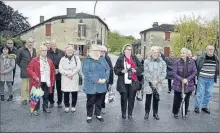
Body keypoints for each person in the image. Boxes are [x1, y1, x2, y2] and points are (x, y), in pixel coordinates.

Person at [114, 44, 143, 120]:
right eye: (127, 49)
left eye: (130, 49)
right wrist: (121, 71)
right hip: (123, 82)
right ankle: (123, 113)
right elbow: (115, 70)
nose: (129, 51)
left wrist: (135, 69)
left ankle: (130, 114)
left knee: (131, 99)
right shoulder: (120, 58)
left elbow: (141, 67)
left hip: (132, 82)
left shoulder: (134, 58)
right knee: (123, 99)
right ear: (124, 50)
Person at [82, 44, 110, 123]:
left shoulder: (102, 59)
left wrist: (105, 79)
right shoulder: (87, 59)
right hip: (91, 84)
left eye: (98, 50)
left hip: (102, 84)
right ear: (91, 51)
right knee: (90, 101)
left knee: (99, 100)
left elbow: (108, 69)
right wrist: (97, 80)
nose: (97, 52)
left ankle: (98, 114)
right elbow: (86, 72)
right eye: (95, 50)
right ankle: (89, 116)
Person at [26, 45, 55, 116]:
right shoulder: (34, 60)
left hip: (47, 81)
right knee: (36, 96)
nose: (45, 52)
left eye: (46, 50)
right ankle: (36, 109)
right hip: (37, 81)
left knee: (46, 96)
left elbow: (52, 71)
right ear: (40, 51)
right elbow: (29, 69)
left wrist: (52, 80)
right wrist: (34, 76)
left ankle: (45, 107)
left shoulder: (49, 61)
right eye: (43, 50)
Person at [172, 48, 197, 119]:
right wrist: (182, 79)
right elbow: (174, 73)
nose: (182, 54)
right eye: (181, 53)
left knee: (186, 99)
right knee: (177, 99)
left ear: (187, 54)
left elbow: (194, 72)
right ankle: (175, 112)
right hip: (178, 84)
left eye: (184, 53)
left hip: (188, 84)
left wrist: (187, 79)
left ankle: (184, 113)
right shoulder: (177, 62)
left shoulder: (192, 62)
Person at [143, 46, 166, 120]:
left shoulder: (162, 62)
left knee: (156, 98)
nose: (155, 54)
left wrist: (158, 80)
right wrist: (152, 81)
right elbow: (145, 73)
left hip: (158, 84)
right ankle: (147, 112)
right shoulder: (146, 61)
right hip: (149, 83)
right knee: (148, 99)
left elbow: (164, 73)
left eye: (156, 52)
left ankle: (155, 113)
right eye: (154, 52)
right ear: (151, 53)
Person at [194, 45, 219, 114]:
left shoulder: (216, 58)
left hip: (211, 79)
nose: (211, 51)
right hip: (202, 78)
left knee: (209, 93)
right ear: (206, 50)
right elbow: (196, 66)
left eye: (212, 49)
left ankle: (204, 107)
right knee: (200, 93)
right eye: (209, 49)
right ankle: (197, 106)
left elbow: (218, 68)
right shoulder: (201, 58)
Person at [59, 45, 81, 113]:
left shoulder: (76, 58)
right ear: (65, 51)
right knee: (66, 93)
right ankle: (67, 106)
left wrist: (71, 73)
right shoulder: (62, 59)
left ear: (73, 51)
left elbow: (78, 67)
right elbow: (60, 68)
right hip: (65, 78)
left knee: (74, 93)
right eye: (68, 50)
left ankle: (73, 106)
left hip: (74, 78)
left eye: (71, 50)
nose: (69, 51)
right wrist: (66, 73)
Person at [16, 37, 37, 105]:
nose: (30, 43)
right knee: (24, 86)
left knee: (31, 85)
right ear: (26, 42)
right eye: (29, 42)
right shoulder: (21, 50)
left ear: (33, 43)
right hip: (24, 70)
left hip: (32, 70)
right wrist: (22, 67)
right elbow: (17, 60)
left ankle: (30, 98)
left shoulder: (34, 50)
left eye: (32, 42)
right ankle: (24, 99)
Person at [47, 40, 65, 108]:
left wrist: (59, 70)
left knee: (60, 89)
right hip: (50, 74)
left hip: (59, 74)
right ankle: (51, 102)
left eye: (54, 43)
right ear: (50, 45)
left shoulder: (62, 52)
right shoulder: (47, 52)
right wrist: (52, 70)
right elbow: (46, 63)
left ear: (56, 44)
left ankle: (59, 102)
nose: (53, 45)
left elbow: (64, 63)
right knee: (51, 88)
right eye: (52, 44)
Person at [99, 45, 114, 114]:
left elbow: (111, 70)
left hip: (105, 80)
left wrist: (111, 82)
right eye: (101, 51)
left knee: (103, 94)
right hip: (97, 80)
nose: (102, 52)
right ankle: (96, 108)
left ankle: (102, 107)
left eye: (104, 51)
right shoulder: (95, 57)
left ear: (105, 52)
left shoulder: (107, 58)